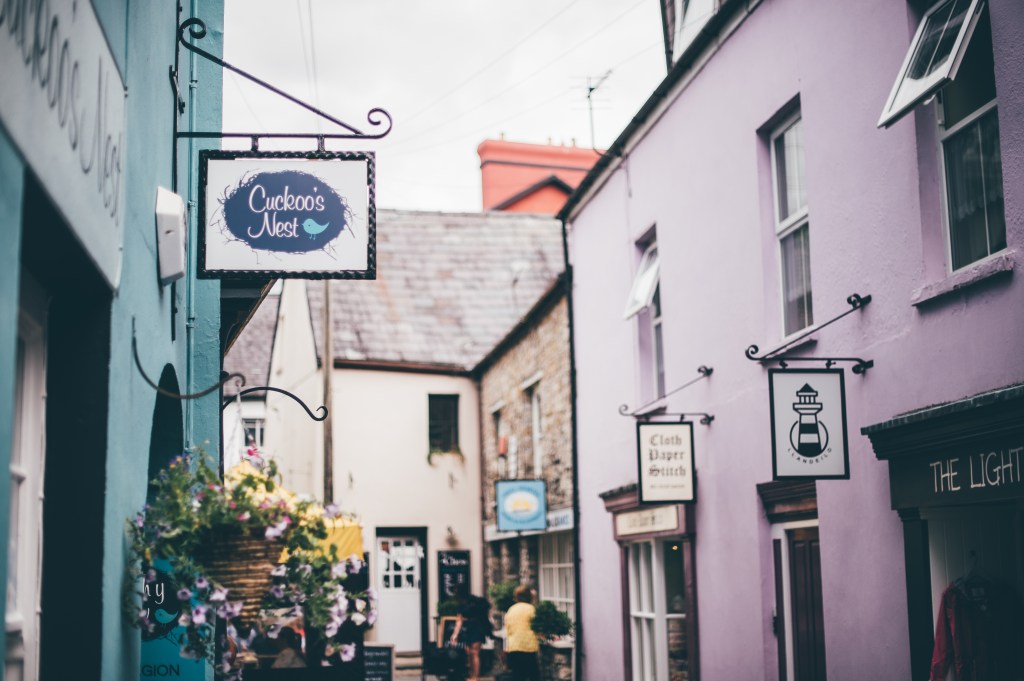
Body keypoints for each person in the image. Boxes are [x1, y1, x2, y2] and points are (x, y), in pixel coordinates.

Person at [450, 591, 492, 681]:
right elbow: (459, 620)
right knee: (470, 652)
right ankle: (472, 675)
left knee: (474, 652)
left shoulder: (471, 603)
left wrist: (455, 634)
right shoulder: (469, 604)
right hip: (473, 628)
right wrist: (455, 634)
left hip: (474, 627)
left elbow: (459, 620)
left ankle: (475, 677)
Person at [505, 585, 539, 681]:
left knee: (517, 676)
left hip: (514, 647)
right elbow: (537, 627)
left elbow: (508, 630)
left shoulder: (511, 610)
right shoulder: (531, 609)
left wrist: (506, 648)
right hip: (528, 646)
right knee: (533, 675)